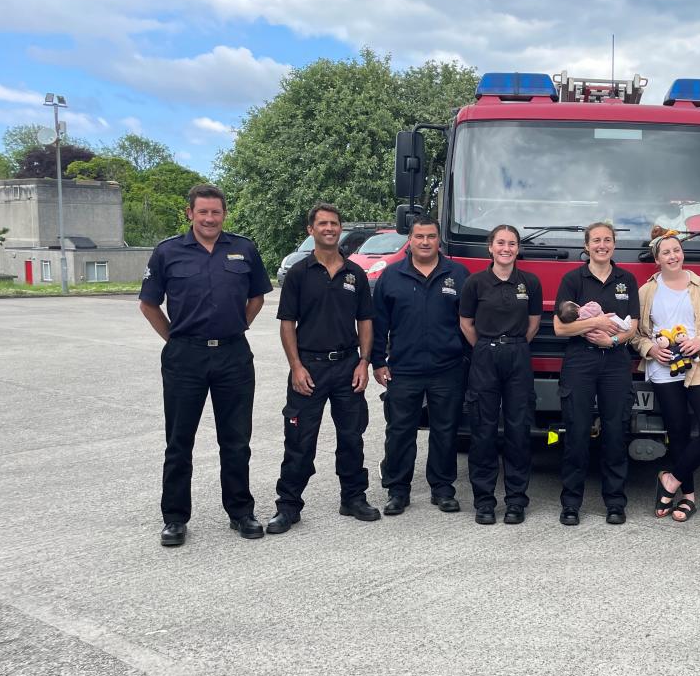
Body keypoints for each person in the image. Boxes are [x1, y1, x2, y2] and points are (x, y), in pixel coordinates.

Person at [138, 183, 272, 546]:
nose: (209, 218)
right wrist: (175, 339)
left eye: (216, 212)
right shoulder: (168, 252)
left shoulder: (243, 249)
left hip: (233, 355)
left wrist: (240, 325)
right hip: (186, 357)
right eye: (203, 212)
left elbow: (258, 295)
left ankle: (241, 512)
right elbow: (149, 303)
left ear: (224, 214)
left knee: (236, 440)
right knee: (179, 442)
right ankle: (175, 519)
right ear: (190, 214)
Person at [268, 203, 379, 534]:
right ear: (311, 230)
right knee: (299, 440)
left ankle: (353, 498)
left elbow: (366, 321)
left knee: (351, 437)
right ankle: (288, 507)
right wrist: (296, 366)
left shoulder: (354, 274)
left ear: (340, 229)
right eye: (323, 224)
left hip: (347, 365)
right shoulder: (300, 273)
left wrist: (364, 361)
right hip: (309, 368)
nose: (329, 228)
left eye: (334, 224)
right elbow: (287, 323)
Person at [370, 216, 470, 515]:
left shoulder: (458, 274)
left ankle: (442, 488)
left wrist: (465, 358)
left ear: (439, 240)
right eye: (419, 236)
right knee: (400, 431)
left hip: (448, 367)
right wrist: (377, 361)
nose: (425, 242)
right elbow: (379, 324)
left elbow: (468, 321)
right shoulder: (391, 276)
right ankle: (398, 490)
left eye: (430, 236)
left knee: (445, 430)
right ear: (410, 240)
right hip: (404, 368)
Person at [631, 227, 700, 522]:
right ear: (656, 259)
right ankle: (688, 498)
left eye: (676, 250)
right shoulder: (646, 291)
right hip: (663, 372)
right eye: (666, 252)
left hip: (699, 368)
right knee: (679, 434)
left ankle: (669, 480)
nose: (673, 256)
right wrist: (649, 349)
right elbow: (634, 333)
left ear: (682, 254)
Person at [552, 222, 640, 526]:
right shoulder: (573, 278)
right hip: (581, 361)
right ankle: (571, 503)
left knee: (616, 432)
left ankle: (615, 502)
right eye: (596, 240)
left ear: (614, 245)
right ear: (587, 246)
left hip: (616, 361)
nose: (602, 245)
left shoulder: (626, 279)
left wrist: (612, 338)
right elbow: (560, 327)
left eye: (608, 240)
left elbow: (635, 327)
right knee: (576, 432)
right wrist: (596, 323)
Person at [458, 224, 543, 525]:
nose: (506, 248)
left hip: (518, 355)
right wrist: (487, 347)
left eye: (512, 244)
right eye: (501, 243)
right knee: (483, 430)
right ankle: (484, 501)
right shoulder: (475, 283)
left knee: (519, 430)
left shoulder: (529, 283)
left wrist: (513, 345)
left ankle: (516, 501)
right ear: (490, 247)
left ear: (518, 249)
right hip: (484, 356)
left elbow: (533, 322)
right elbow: (466, 323)